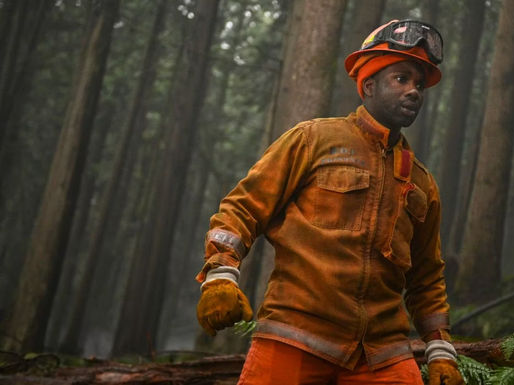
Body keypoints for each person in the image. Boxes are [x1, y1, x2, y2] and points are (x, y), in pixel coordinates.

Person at [195, 19, 464, 385]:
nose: (413, 91)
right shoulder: (313, 140)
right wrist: (220, 276)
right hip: (295, 334)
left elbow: (427, 277)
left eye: (419, 84)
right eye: (401, 79)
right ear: (368, 86)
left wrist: (440, 350)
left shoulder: (422, 183)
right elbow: (243, 209)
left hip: (383, 353)